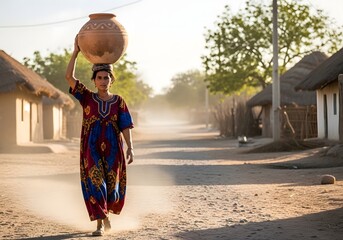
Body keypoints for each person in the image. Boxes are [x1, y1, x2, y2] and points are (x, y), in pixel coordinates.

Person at [65, 35, 134, 236]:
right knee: (96, 183)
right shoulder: (86, 97)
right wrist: (75, 52)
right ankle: (100, 225)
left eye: (107, 77)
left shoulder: (119, 101)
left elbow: (126, 126)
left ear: (112, 80)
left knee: (111, 187)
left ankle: (106, 217)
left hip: (114, 148)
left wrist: (130, 147)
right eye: (100, 78)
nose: (103, 81)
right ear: (94, 80)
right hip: (91, 147)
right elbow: (69, 77)